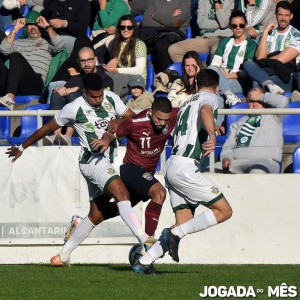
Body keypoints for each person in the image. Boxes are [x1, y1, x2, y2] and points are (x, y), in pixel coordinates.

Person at [6, 72, 152, 267]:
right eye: (94, 96)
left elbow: (133, 120)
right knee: (122, 193)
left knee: (97, 214)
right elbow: (47, 128)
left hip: (109, 160)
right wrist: (22, 147)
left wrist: (120, 121)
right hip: (91, 160)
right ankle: (145, 240)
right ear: (84, 93)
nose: (98, 99)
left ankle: (63, 255)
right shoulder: (74, 108)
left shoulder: (112, 99)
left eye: (100, 95)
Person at [49, 97, 178, 267]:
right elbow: (112, 133)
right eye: (158, 119)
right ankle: (147, 246)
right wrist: (106, 140)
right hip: (131, 170)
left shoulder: (175, 115)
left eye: (165, 120)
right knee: (159, 193)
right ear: (150, 112)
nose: (162, 123)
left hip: (146, 174)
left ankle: (65, 251)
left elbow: (192, 112)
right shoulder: (135, 122)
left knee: (101, 214)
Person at [132, 69, 233, 275]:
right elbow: (206, 110)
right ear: (217, 87)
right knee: (224, 211)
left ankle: (145, 261)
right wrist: (212, 136)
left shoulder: (186, 101)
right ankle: (174, 234)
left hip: (172, 165)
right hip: (186, 167)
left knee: (184, 221)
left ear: (195, 85)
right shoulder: (210, 97)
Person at [43, 47, 114, 146]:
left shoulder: (105, 79)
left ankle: (68, 136)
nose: (86, 64)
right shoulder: (76, 78)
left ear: (95, 59)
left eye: (89, 60)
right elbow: (64, 92)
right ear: (78, 62)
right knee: (57, 96)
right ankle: (56, 134)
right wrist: (59, 89)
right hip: (73, 121)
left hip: (92, 120)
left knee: (74, 96)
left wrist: (78, 90)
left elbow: (103, 100)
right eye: (83, 61)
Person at [215, 87, 288, 174]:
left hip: (265, 161)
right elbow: (229, 145)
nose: (254, 104)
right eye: (251, 101)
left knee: (257, 172)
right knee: (210, 170)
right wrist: (226, 157)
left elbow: (283, 102)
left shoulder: (274, 115)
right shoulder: (237, 123)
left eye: (258, 100)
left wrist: (260, 96)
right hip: (237, 161)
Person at [0, 11, 64, 110]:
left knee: (16, 56)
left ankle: (9, 98)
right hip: (15, 81)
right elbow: (3, 49)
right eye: (30, 25)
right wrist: (16, 28)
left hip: (35, 83)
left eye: (36, 25)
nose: (33, 27)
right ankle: (8, 96)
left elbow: (60, 45)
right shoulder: (18, 42)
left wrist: (47, 26)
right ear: (26, 27)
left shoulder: (47, 43)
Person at [243, 1, 300, 94]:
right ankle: (270, 88)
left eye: (286, 15)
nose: (283, 18)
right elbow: (260, 57)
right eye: (280, 15)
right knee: (247, 64)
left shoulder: (296, 35)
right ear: (276, 15)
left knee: (256, 83)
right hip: (266, 72)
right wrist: (265, 31)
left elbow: (280, 60)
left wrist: (261, 63)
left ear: (291, 16)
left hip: (284, 76)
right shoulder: (270, 33)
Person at [208, 10, 257, 106]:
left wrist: (225, 76)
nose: (238, 28)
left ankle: (228, 94)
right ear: (230, 26)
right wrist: (221, 76)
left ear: (245, 25)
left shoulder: (251, 45)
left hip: (239, 81)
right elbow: (214, 65)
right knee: (216, 98)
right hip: (222, 78)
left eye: (241, 25)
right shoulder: (225, 41)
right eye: (234, 26)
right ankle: (229, 95)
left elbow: (246, 72)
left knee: (213, 90)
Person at [168, 0, 234, 64]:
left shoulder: (231, 1)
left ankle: (211, 74)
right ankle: (195, 73)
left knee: (216, 50)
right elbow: (201, 23)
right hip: (205, 38)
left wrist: (217, 2)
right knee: (173, 50)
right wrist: (220, 25)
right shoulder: (203, 1)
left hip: (222, 38)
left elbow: (224, 23)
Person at [137, 0, 191, 73]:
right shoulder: (154, 1)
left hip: (173, 35)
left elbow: (175, 24)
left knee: (161, 45)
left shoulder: (184, 2)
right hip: (153, 34)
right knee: (137, 44)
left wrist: (155, 15)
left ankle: (165, 76)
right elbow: (145, 21)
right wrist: (168, 17)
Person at [104, 14, 147, 99]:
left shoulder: (139, 44)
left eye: (129, 27)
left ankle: (110, 100)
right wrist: (108, 65)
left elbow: (139, 70)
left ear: (133, 29)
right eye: (122, 27)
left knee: (118, 77)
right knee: (104, 75)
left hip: (136, 79)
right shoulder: (115, 43)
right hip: (121, 77)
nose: (126, 30)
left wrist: (117, 70)